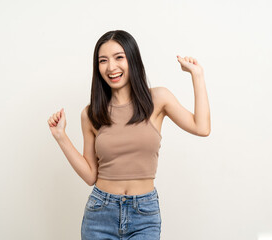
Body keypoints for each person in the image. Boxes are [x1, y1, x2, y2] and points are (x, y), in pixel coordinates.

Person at [47, 30, 211, 239]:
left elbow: (202, 127)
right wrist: (61, 136)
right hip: (100, 214)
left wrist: (197, 75)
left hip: (144, 214)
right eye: (103, 60)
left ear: (132, 59)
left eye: (119, 57)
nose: (111, 67)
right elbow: (90, 176)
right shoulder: (90, 114)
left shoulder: (158, 99)